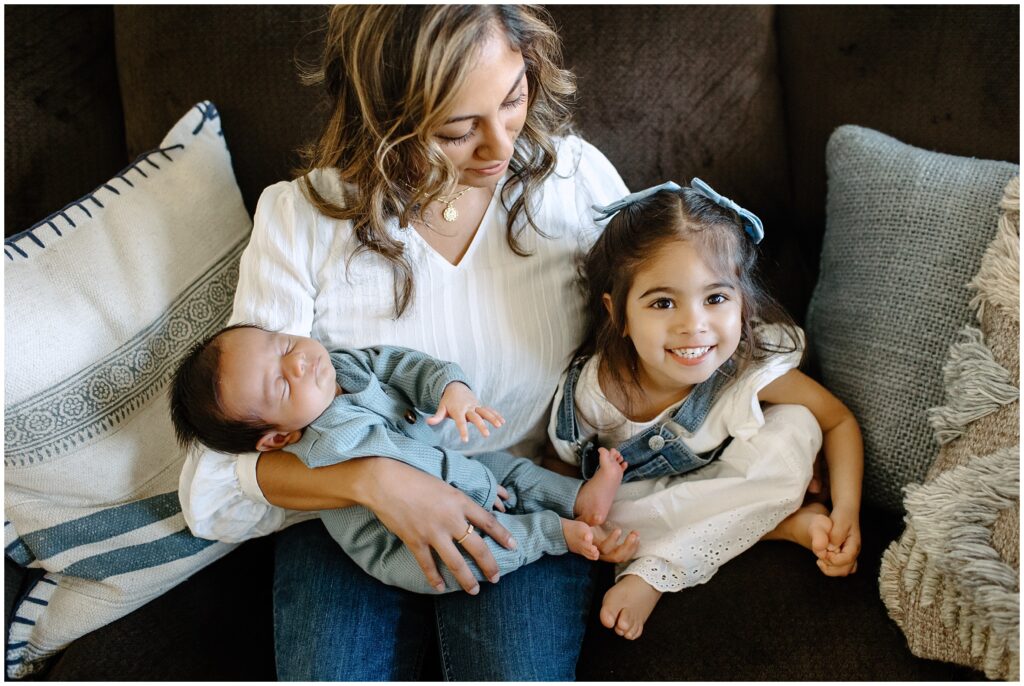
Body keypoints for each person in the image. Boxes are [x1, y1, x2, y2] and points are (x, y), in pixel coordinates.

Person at [176, 5, 643, 680]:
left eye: (513, 98)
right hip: (347, 519)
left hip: (521, 492)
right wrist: (376, 480)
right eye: (457, 130)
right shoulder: (303, 217)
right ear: (386, 118)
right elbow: (216, 484)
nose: (500, 147)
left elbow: (674, 320)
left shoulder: (572, 182)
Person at [547, 180, 864, 640]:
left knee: (798, 424)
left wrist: (848, 511)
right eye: (662, 302)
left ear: (742, 304)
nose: (693, 326)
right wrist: (588, 525)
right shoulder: (595, 395)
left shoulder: (745, 372)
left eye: (715, 298)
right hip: (638, 502)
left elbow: (838, 420)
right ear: (619, 315)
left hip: (727, 480)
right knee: (597, 514)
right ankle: (767, 527)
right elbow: (554, 468)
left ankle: (658, 565)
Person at [171, 325, 627, 593]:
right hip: (403, 544)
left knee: (509, 468)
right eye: (282, 386)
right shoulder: (331, 443)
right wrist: (479, 489)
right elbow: (419, 479)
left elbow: (400, 366)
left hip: (447, 465)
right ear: (276, 439)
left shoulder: (341, 366)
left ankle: (579, 497)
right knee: (468, 560)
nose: (300, 364)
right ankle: (554, 532)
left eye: (285, 346)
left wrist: (451, 387)